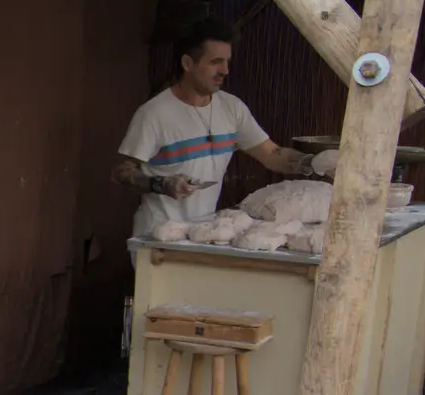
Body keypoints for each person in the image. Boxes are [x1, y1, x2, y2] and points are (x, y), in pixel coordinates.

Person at [113, 16, 337, 241]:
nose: (225, 70)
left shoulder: (232, 108)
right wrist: (161, 184)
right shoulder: (153, 114)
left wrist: (313, 163)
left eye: (227, 61)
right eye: (215, 62)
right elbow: (121, 173)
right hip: (157, 236)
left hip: (203, 233)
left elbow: (272, 155)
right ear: (188, 64)